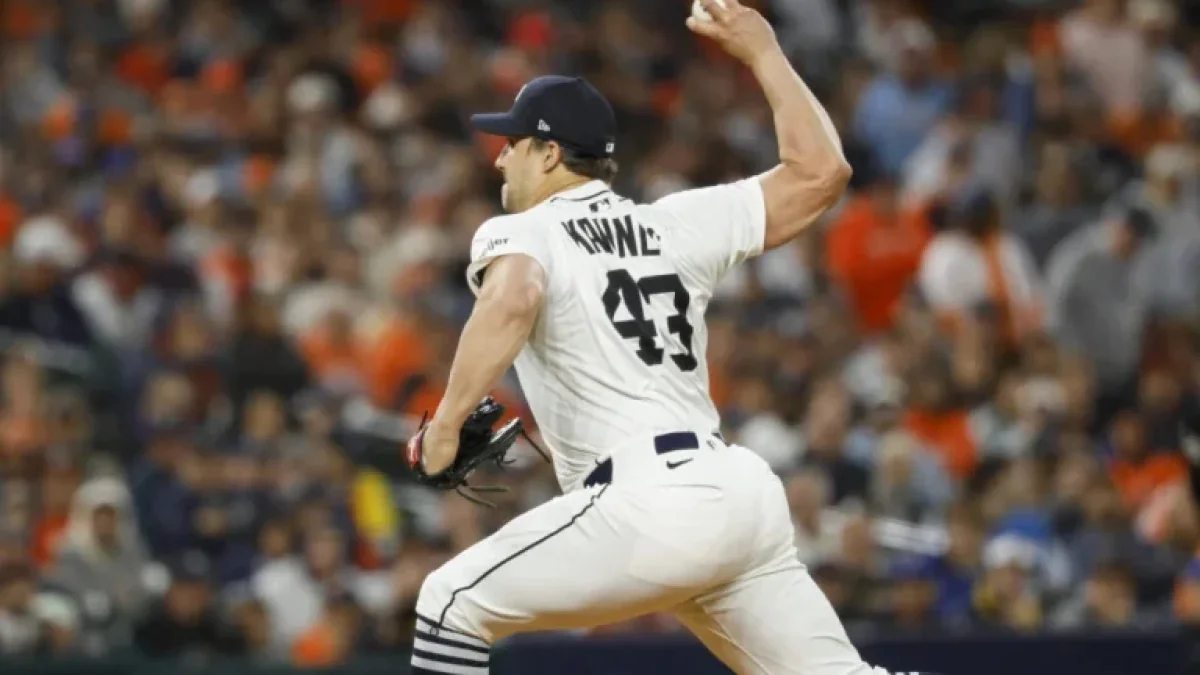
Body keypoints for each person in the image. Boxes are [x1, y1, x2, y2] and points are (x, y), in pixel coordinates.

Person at [403, 3, 928, 675]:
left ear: (550, 153)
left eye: (514, 141)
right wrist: (765, 53)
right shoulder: (673, 224)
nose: (500, 156)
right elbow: (821, 173)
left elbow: (513, 297)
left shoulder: (524, 230)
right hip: (736, 496)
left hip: (646, 504)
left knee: (449, 603)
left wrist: (446, 425)